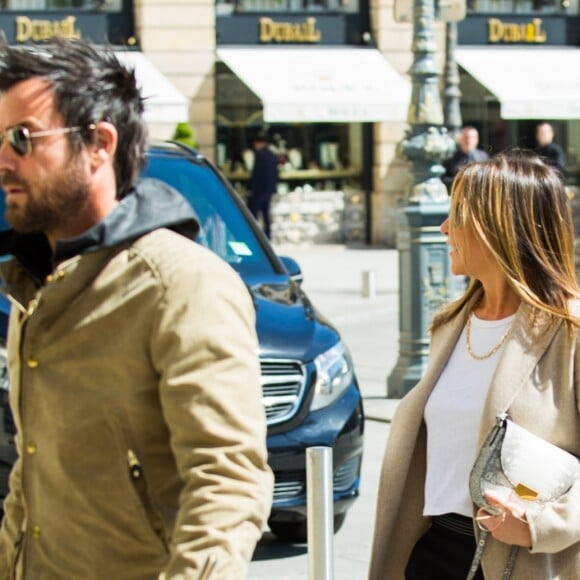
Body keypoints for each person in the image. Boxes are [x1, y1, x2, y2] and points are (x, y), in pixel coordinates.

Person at [0, 40, 273, 579]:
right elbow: (33, 472)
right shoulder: (35, 284)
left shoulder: (180, 284)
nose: (4, 158)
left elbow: (227, 486)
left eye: (21, 138)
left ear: (99, 143)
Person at [368, 153, 580, 580]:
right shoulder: (449, 325)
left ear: (501, 227)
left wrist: (543, 525)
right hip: (431, 553)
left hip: (525, 561)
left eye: (458, 215)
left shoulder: (569, 332)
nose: (444, 228)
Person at [247, 132, 278, 239]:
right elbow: (275, 174)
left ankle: (254, 236)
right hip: (268, 190)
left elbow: (257, 174)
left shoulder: (260, 155)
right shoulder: (272, 155)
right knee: (266, 214)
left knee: (253, 214)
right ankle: (267, 235)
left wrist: (251, 188)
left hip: (258, 190)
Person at [442, 126, 489, 192]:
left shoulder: (483, 157)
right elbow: (443, 180)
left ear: (477, 140)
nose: (469, 141)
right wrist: (461, 181)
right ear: (460, 139)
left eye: (472, 138)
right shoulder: (450, 157)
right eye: (466, 137)